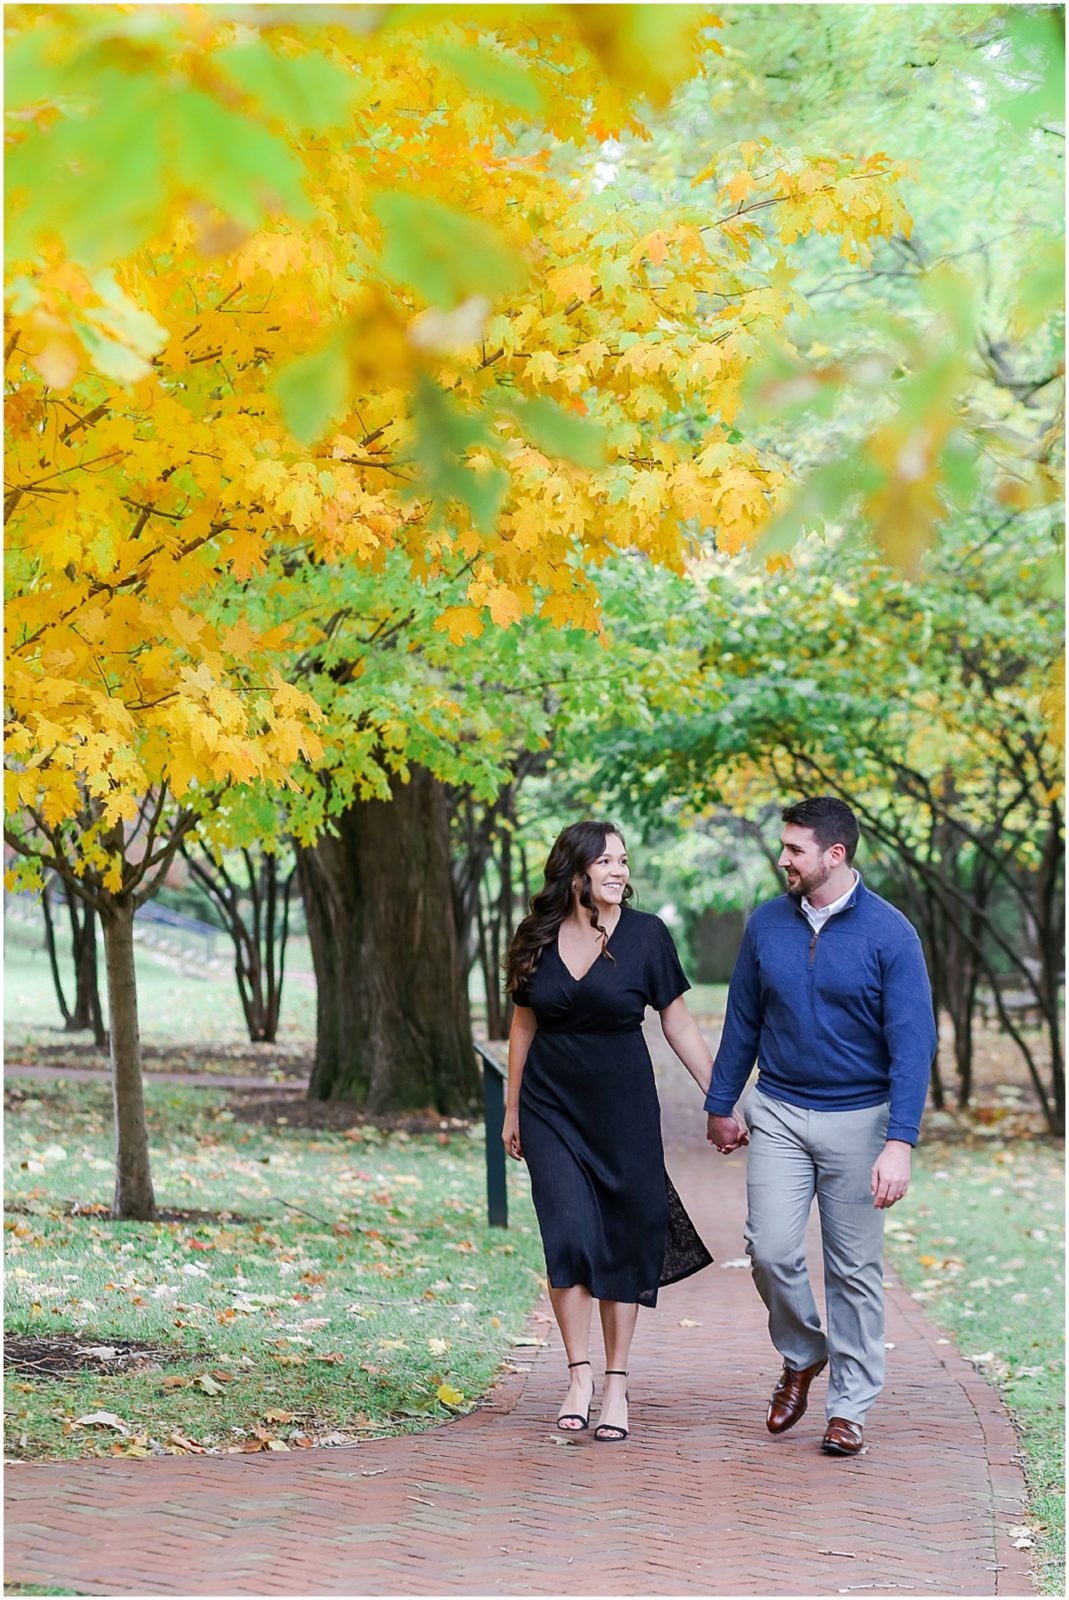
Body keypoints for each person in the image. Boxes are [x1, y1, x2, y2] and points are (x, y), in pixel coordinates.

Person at [705, 796, 937, 1457]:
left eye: (794, 849)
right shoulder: (766, 926)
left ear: (835, 854)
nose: (782, 859)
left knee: (853, 1268)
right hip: (777, 1109)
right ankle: (803, 1351)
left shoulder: (890, 935)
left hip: (859, 1119)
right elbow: (742, 1020)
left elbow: (911, 1043)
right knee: (770, 1249)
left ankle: (849, 1408)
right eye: (783, 847)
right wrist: (722, 1104)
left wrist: (899, 1142)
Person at [502, 819, 714, 1443]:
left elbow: (678, 1025)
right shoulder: (536, 936)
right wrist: (512, 1110)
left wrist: (720, 1096)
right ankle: (578, 1375)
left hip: (623, 1108)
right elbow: (522, 1026)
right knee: (567, 1235)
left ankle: (617, 1382)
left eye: (624, 860)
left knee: (622, 1240)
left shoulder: (648, 937)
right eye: (607, 861)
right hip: (549, 1105)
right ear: (576, 873)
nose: (620, 871)